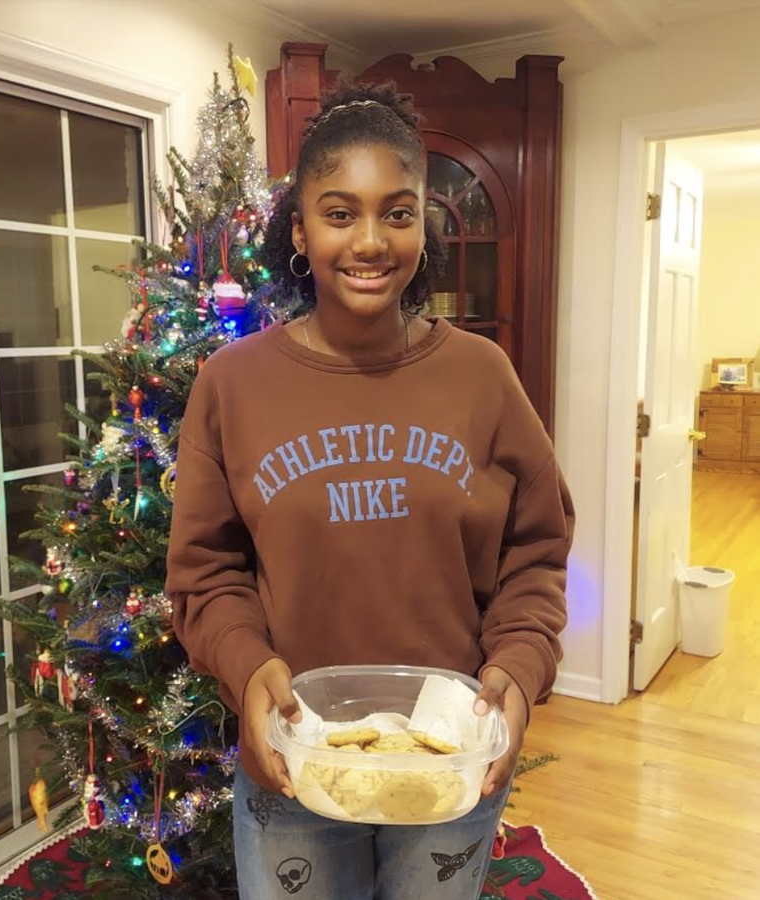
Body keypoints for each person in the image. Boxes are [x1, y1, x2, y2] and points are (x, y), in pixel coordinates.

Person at [166, 79, 574, 900]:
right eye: (339, 211)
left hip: (448, 762)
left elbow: (538, 551)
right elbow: (205, 573)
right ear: (301, 228)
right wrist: (248, 674)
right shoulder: (232, 384)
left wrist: (520, 670)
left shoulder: (481, 377)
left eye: (398, 210)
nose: (370, 240)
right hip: (293, 760)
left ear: (423, 221)